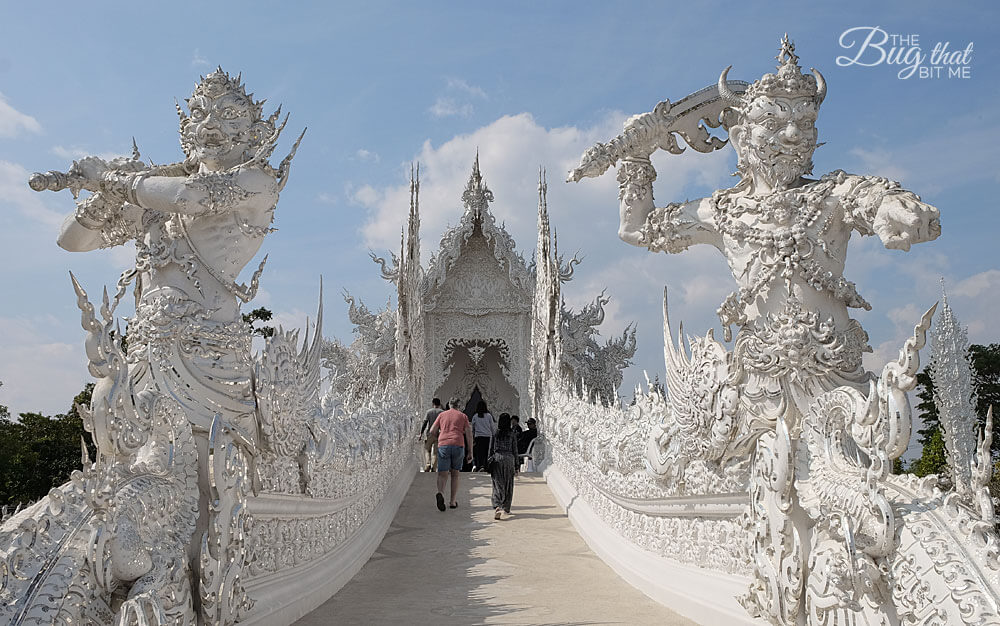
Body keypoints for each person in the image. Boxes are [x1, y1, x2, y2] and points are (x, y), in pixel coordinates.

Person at [428, 398, 472, 510]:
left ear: (449, 404)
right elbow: (468, 434)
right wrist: (470, 451)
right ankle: (452, 501)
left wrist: (440, 436)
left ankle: (441, 493)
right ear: (459, 406)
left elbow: (432, 431)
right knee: (455, 474)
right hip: (458, 444)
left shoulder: (442, 415)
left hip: (444, 444)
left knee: (442, 474)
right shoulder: (463, 416)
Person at [489, 413, 520, 519]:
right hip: (509, 459)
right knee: (508, 484)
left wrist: (489, 460)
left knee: (497, 483)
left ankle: (497, 505)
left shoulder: (496, 433)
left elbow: (491, 449)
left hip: (497, 458)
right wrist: (517, 465)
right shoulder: (512, 434)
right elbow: (515, 450)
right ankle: (506, 507)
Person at [470, 400, 496, 471]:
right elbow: (492, 426)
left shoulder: (475, 416)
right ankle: (485, 466)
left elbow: (473, 428)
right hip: (487, 436)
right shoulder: (488, 416)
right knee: (486, 452)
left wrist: (472, 437)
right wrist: (494, 435)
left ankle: (479, 465)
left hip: (478, 436)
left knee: (479, 452)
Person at [419, 398, 443, 472]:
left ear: (433, 404)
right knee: (436, 452)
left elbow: (425, 423)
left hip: (430, 433)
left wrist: (421, 433)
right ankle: (434, 468)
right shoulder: (442, 413)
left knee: (427, 449)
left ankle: (428, 464)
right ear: (439, 404)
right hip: (439, 434)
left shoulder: (429, 412)